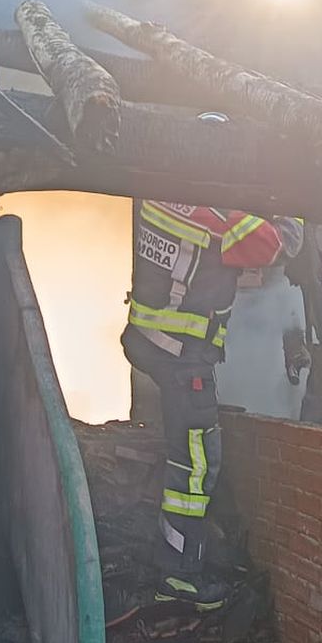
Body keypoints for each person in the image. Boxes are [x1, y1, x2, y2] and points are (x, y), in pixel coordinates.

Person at [122, 194, 303, 613]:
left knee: (185, 453)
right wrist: (297, 212)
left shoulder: (160, 192)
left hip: (149, 338)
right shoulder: (215, 213)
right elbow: (270, 244)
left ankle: (183, 550)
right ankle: (179, 574)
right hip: (182, 356)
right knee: (197, 463)